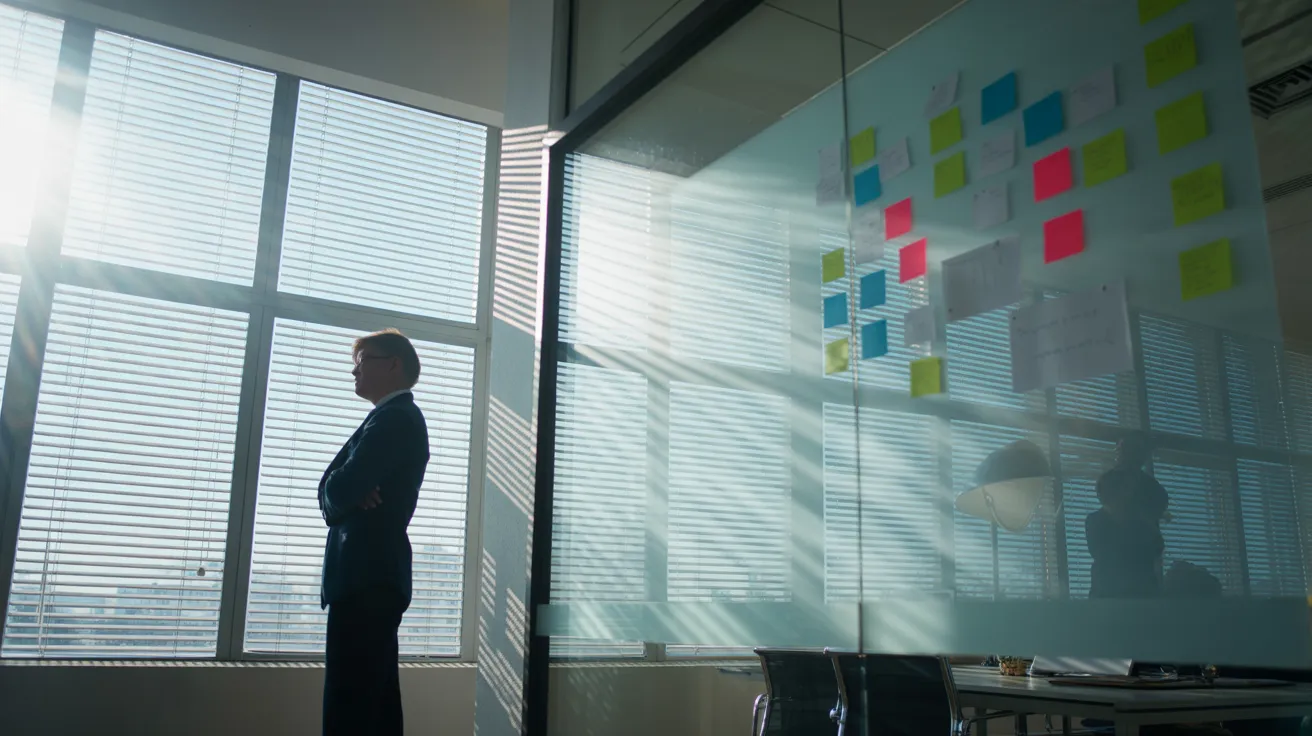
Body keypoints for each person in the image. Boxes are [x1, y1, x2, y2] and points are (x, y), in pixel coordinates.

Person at [320, 329, 429, 736]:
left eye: (362, 360)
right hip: (372, 579)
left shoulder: (394, 418)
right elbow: (337, 488)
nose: (354, 370)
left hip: (366, 578)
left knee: (351, 710)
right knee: (374, 707)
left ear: (393, 364)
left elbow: (337, 489)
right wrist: (344, 488)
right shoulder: (389, 418)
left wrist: (344, 488)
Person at [1086, 437, 1169, 599]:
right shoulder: (1098, 521)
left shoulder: (1143, 519)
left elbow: (1156, 547)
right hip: (1112, 596)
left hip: (1139, 595)